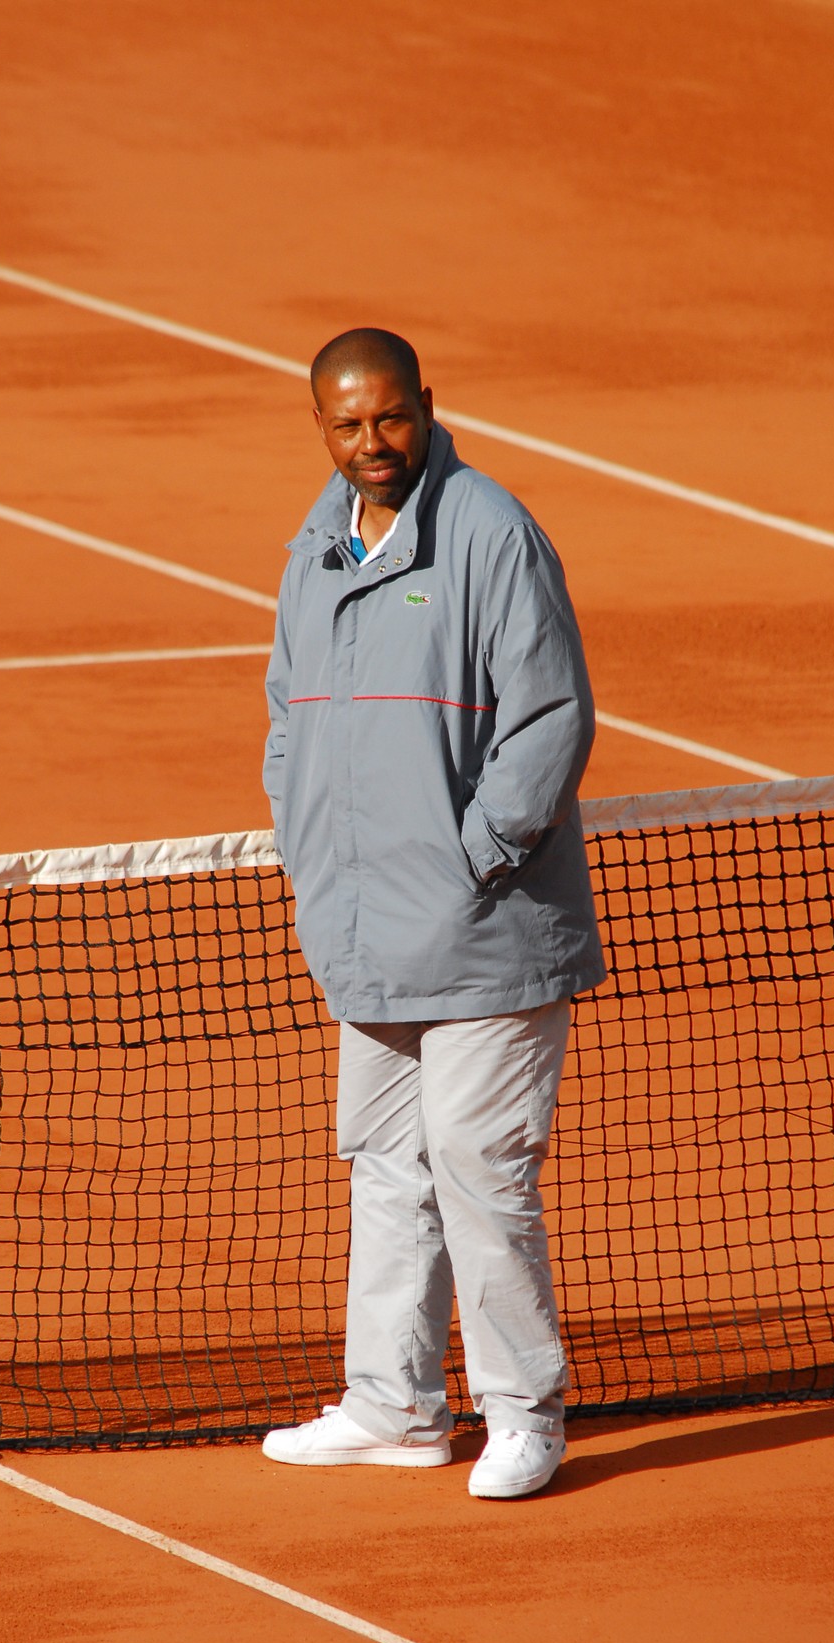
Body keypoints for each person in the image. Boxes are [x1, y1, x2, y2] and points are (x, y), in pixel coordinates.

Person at [261, 328, 605, 1500]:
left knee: (476, 1163)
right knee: (388, 1167)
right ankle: (395, 1405)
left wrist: (479, 857)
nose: (372, 443)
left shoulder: (491, 533)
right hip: (366, 935)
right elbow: (288, 722)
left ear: (425, 406)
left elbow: (550, 716)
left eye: (391, 418)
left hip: (488, 930)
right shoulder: (313, 552)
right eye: (349, 425)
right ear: (322, 428)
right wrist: (315, 854)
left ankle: (525, 1412)